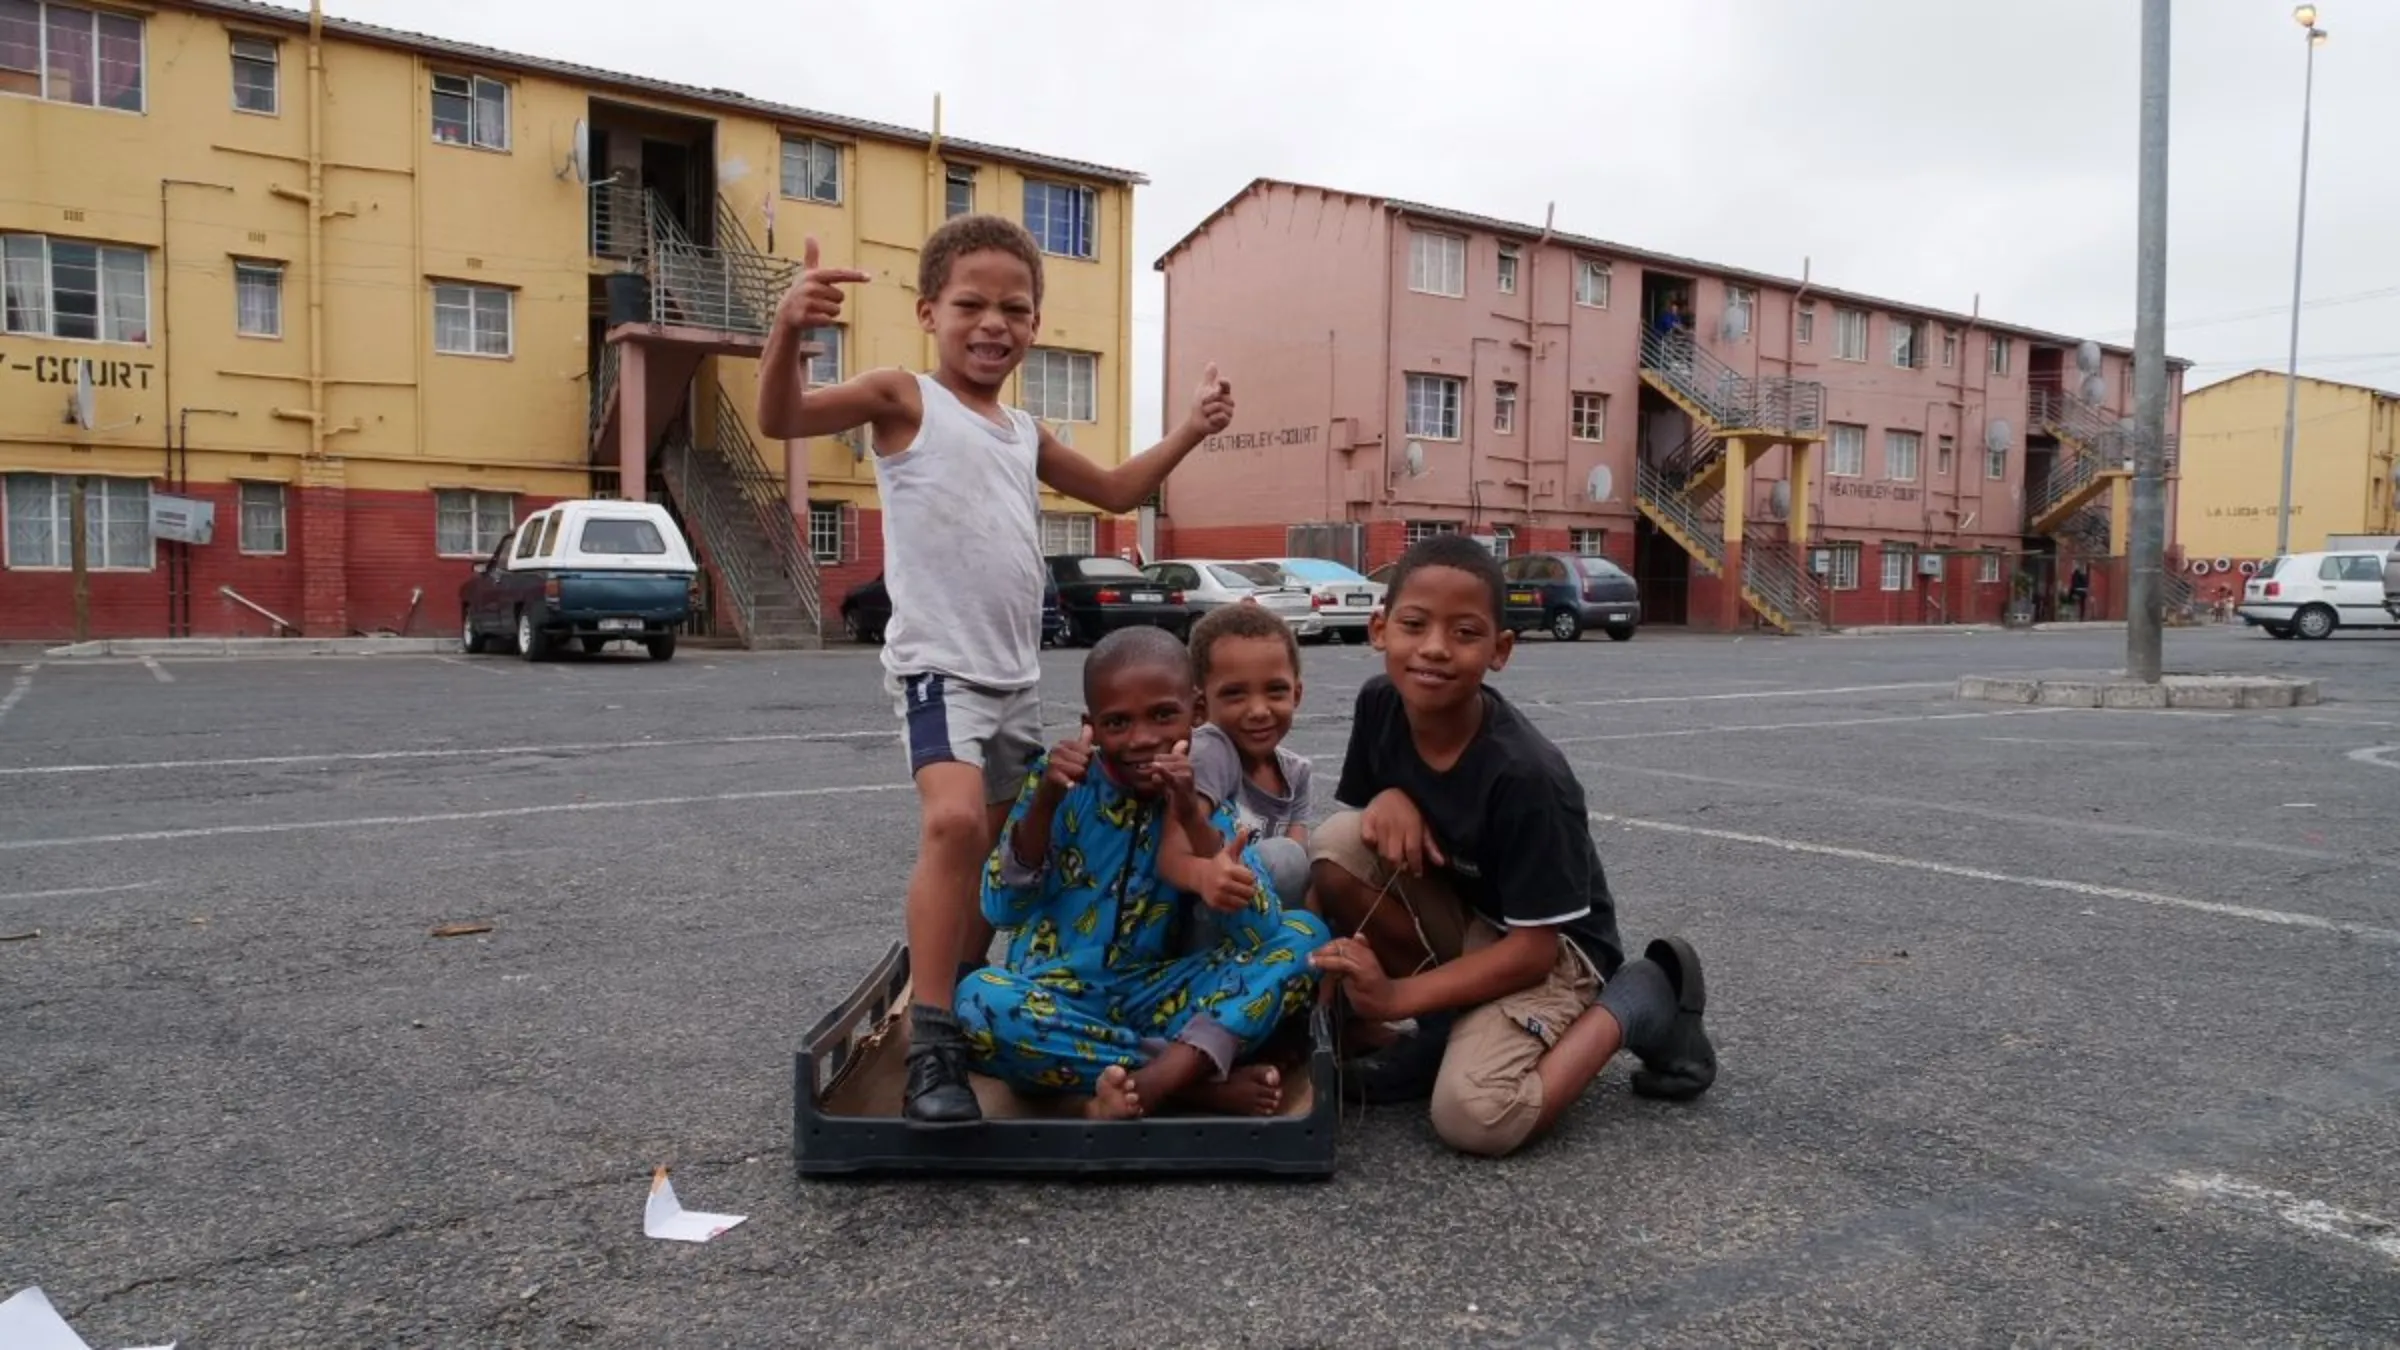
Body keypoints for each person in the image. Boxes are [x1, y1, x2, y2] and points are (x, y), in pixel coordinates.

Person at [756, 215, 1236, 1124]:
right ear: (929, 310)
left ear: (1037, 324)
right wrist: (789, 332)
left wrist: (1191, 430)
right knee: (951, 823)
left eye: (1014, 308)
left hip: (1015, 677)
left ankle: (962, 993)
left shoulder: (1020, 430)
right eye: (970, 304)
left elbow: (1118, 491)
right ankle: (931, 1044)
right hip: (942, 670)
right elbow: (782, 417)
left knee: (997, 860)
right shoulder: (904, 398)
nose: (993, 323)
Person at [1306, 533, 1717, 1158]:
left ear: (1500, 650)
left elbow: (1533, 952)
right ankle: (1448, 1032)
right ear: (1380, 628)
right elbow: (1367, 822)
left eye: (1465, 633)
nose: (1435, 649)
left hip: (1555, 953)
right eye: (1414, 624)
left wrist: (1397, 999)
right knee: (1336, 845)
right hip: (1473, 915)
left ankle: (1641, 1000)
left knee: (1475, 1116)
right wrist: (1388, 795)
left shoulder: (1528, 777)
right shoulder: (1380, 703)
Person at [955, 627, 1332, 1120]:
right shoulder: (1060, 781)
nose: (1142, 739)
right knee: (978, 1000)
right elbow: (1001, 908)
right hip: (1055, 997)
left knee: (1307, 937)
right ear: (1091, 725)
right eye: (1117, 723)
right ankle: (1187, 1083)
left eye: (1162, 715)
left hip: (1156, 993)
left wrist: (1194, 819)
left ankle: (1145, 1080)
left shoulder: (1196, 790)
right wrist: (1046, 803)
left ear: (1195, 712)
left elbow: (1260, 929)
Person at [1163, 602, 1314, 954]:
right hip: (1200, 926)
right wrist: (1206, 875)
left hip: (1257, 920)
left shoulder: (1296, 773)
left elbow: (1300, 880)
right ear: (1200, 706)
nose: (1259, 711)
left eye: (1275, 690)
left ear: (1297, 694)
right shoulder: (1211, 751)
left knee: (1319, 873)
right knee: (1284, 857)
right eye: (1234, 694)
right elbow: (1173, 852)